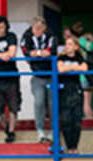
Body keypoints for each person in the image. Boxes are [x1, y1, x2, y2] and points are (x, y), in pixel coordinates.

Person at [22, 17, 57, 145]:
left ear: (44, 28)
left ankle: (53, 131)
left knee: (52, 104)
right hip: (37, 76)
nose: (37, 31)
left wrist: (36, 53)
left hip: (51, 75)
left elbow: (50, 52)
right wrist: (38, 53)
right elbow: (27, 53)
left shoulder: (51, 35)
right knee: (39, 102)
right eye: (35, 29)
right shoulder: (27, 35)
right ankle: (40, 130)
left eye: (40, 29)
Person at [57, 36, 87, 154]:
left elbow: (84, 68)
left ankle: (75, 146)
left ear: (75, 46)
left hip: (76, 90)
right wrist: (74, 67)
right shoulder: (61, 57)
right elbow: (60, 69)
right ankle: (69, 146)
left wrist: (69, 68)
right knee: (66, 120)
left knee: (76, 120)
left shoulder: (79, 57)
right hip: (64, 91)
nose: (67, 46)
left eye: (70, 44)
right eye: (66, 44)